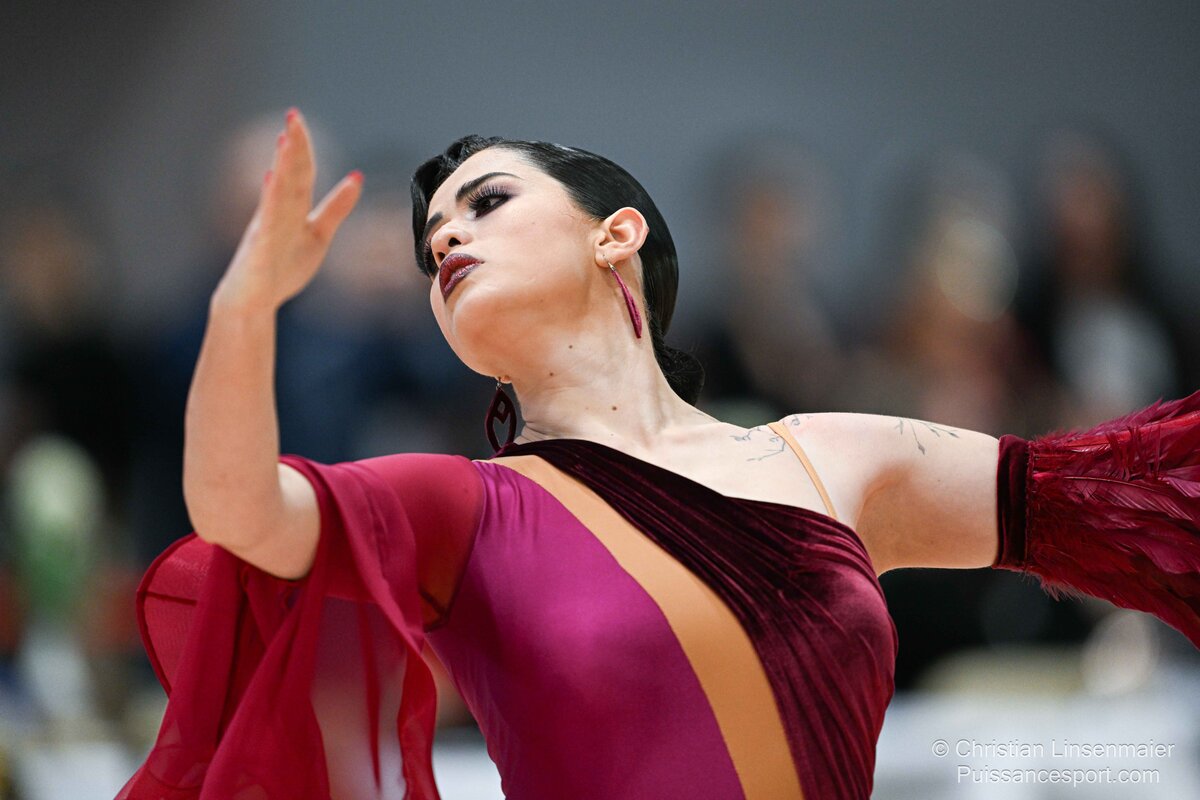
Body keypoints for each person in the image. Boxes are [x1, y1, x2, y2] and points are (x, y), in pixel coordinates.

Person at [119, 110, 1200, 800]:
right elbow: (236, 508)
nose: (445, 238)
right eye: (430, 239)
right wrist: (242, 306)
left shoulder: (827, 458)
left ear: (616, 233)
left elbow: (1130, 494)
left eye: (487, 202)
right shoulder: (462, 507)